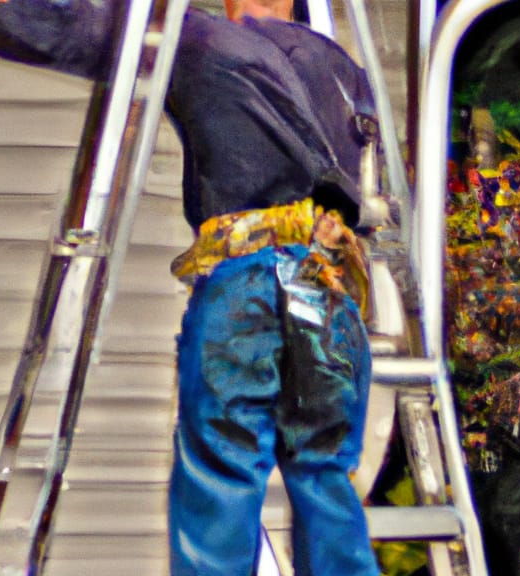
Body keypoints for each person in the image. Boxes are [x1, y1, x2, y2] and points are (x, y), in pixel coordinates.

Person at [164, 1, 381, 574]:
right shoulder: (343, 69)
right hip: (326, 279)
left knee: (223, 473)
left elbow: (46, 19)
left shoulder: (201, 39)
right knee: (323, 471)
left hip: (247, 277)